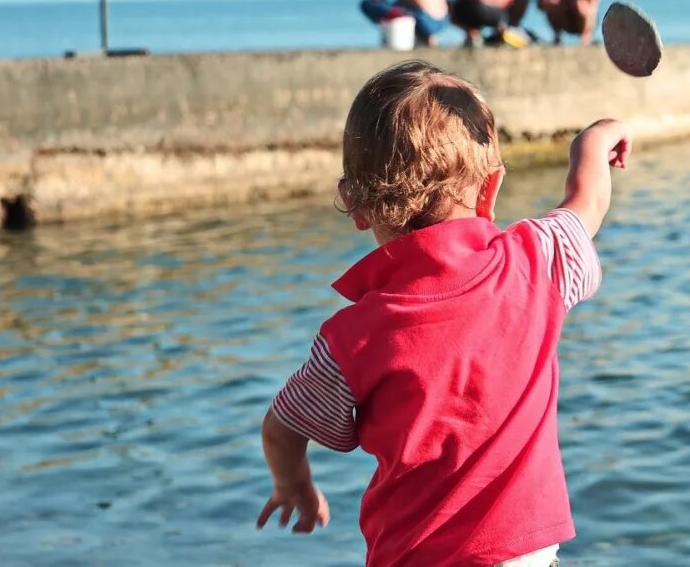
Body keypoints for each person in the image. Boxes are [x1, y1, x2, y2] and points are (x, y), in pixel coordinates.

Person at [256, 60, 631, 566]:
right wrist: (593, 140)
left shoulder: (351, 339)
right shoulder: (536, 261)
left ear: (355, 205)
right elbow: (587, 202)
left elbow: (283, 426)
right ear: (490, 190)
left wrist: (294, 484)